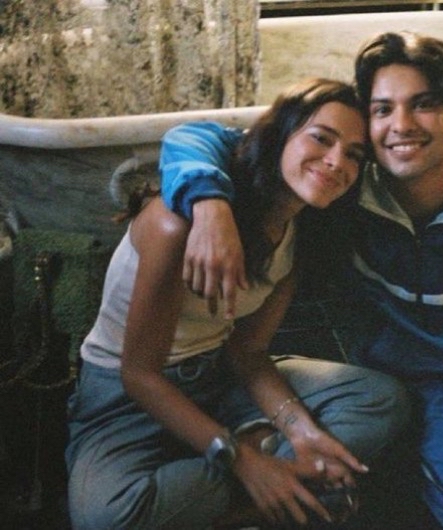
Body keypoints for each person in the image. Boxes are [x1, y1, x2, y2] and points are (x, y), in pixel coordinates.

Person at [159, 32, 443, 530]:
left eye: (423, 105)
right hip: (421, 387)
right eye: (382, 109)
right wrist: (209, 205)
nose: (401, 124)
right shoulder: (342, 191)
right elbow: (194, 137)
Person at [64, 78, 411, 530]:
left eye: (354, 155)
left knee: (381, 399)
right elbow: (140, 376)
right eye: (321, 138)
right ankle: (274, 486)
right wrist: (242, 459)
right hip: (126, 400)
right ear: (280, 135)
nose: (335, 162)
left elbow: (248, 352)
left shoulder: (301, 230)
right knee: (109, 518)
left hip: (220, 378)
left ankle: (264, 480)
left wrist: (301, 431)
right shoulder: (176, 226)